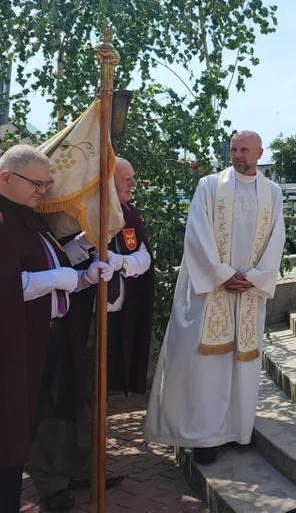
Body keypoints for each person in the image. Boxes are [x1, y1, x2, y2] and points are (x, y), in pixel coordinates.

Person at [145, 131, 285, 465]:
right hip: (211, 291)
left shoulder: (273, 192)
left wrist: (254, 278)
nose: (238, 154)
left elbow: (277, 238)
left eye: (245, 149)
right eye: (234, 149)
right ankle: (205, 436)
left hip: (249, 292)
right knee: (207, 365)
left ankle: (238, 430)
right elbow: (197, 234)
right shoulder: (210, 186)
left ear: (259, 152)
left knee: (242, 361)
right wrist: (222, 275)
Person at [26, 157, 156, 509]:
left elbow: (144, 254)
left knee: (93, 402)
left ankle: (84, 467)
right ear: (104, 181)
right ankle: (52, 481)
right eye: (125, 179)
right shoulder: (71, 214)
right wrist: (85, 242)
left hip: (111, 326)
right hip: (73, 328)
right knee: (61, 400)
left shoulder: (127, 214)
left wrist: (123, 263)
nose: (132, 184)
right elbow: (54, 259)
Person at [0, 145, 111, 513]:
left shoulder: (30, 219)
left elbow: (52, 273)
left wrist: (82, 277)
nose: (43, 192)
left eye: (46, 184)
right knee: (9, 431)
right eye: (37, 183)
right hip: (13, 348)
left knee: (25, 425)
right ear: (5, 178)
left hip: (42, 340)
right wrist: (53, 279)